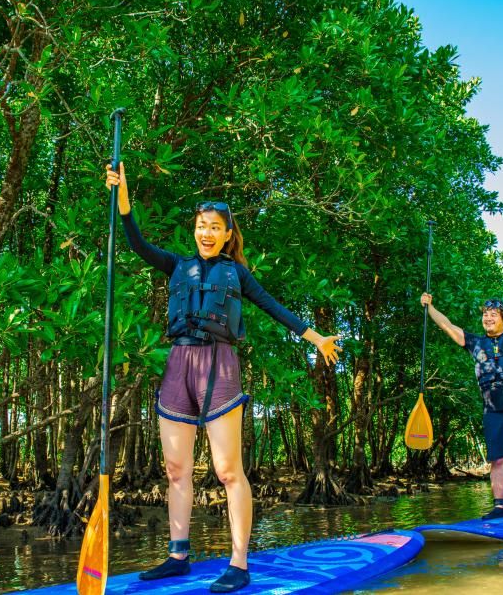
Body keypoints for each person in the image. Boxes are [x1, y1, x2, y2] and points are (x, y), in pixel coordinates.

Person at [106, 162, 341, 592]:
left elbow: (274, 306)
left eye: (216, 227)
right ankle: (178, 555)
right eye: (201, 226)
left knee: (228, 470)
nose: (207, 233)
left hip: (220, 367)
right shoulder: (176, 265)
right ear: (194, 230)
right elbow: (136, 242)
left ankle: (238, 562)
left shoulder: (238, 273)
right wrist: (123, 200)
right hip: (179, 365)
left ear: (228, 234)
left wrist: (315, 337)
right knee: (176, 469)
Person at [420, 268, 503, 520]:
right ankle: (500, 506)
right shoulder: (474, 343)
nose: (488, 317)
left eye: (493, 314)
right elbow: (446, 325)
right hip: (493, 412)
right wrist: (429, 307)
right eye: (485, 314)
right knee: (498, 460)